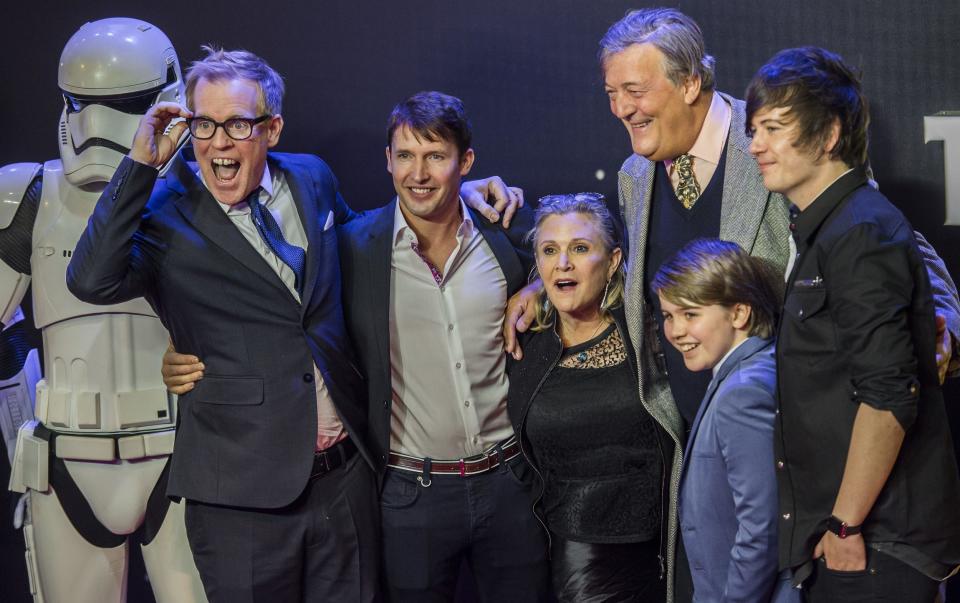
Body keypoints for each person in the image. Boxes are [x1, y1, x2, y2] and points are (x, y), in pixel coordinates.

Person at [500, 9, 960, 601]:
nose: (620, 109)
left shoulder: (774, 142)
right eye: (612, 93)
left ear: (690, 83)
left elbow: (894, 242)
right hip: (694, 456)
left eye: (635, 91)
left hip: (794, 465)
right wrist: (547, 285)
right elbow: (632, 270)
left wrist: (943, 319)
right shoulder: (634, 175)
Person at [161, 90, 549, 601]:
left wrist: (538, 286)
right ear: (387, 161)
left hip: (510, 481)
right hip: (412, 492)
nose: (419, 173)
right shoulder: (352, 246)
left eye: (436, 157)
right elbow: (283, 312)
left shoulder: (504, 233)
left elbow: (586, 260)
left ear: (465, 161)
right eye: (406, 156)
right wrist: (181, 347)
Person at [66, 47, 380, 602]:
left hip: (345, 479)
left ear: (272, 128)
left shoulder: (312, 178)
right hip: (240, 496)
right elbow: (90, 280)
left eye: (236, 123)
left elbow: (365, 247)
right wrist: (140, 164)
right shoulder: (163, 210)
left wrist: (449, 203)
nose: (218, 142)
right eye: (204, 124)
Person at [2, 18, 206, 603]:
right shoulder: (26, 198)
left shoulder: (209, 191)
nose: (96, 126)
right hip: (65, 457)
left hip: (183, 456)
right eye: (81, 104)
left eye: (125, 104)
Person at [746, 46, 960, 600]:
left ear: (830, 133)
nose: (756, 146)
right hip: (851, 539)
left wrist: (845, 524)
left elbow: (889, 395)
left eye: (773, 127)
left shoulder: (860, 232)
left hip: (874, 544)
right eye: (753, 129)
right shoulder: (830, 229)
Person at [506, 192, 671, 601]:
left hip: (665, 544)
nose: (563, 263)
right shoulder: (527, 344)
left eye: (580, 248)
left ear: (613, 260)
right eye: (550, 250)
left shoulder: (647, 331)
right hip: (577, 553)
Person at [653, 238, 797, 603]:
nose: (676, 332)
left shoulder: (742, 394)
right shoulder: (754, 370)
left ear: (738, 313)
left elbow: (761, 529)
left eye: (690, 314)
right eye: (669, 316)